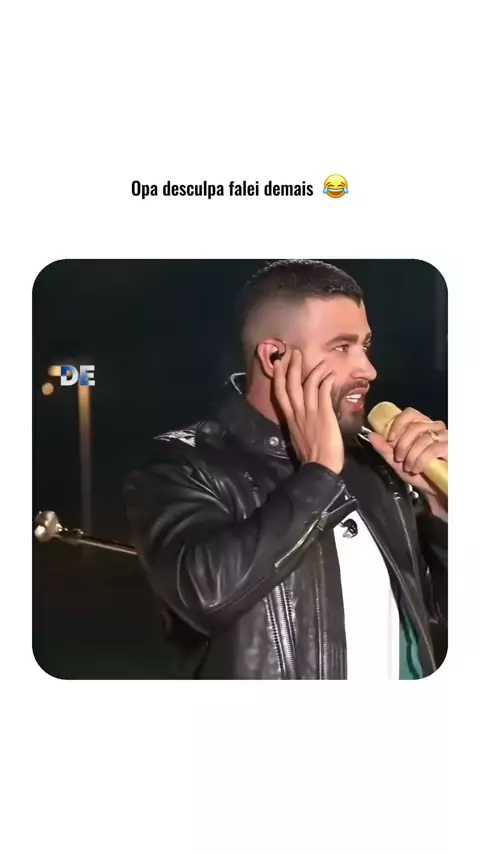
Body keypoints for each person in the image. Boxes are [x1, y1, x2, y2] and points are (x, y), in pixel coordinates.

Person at [124, 260, 448, 679]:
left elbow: (436, 623)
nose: (368, 370)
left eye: (365, 346)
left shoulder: (377, 464)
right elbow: (205, 596)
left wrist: (443, 511)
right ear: (274, 357)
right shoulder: (182, 465)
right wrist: (319, 475)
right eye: (341, 347)